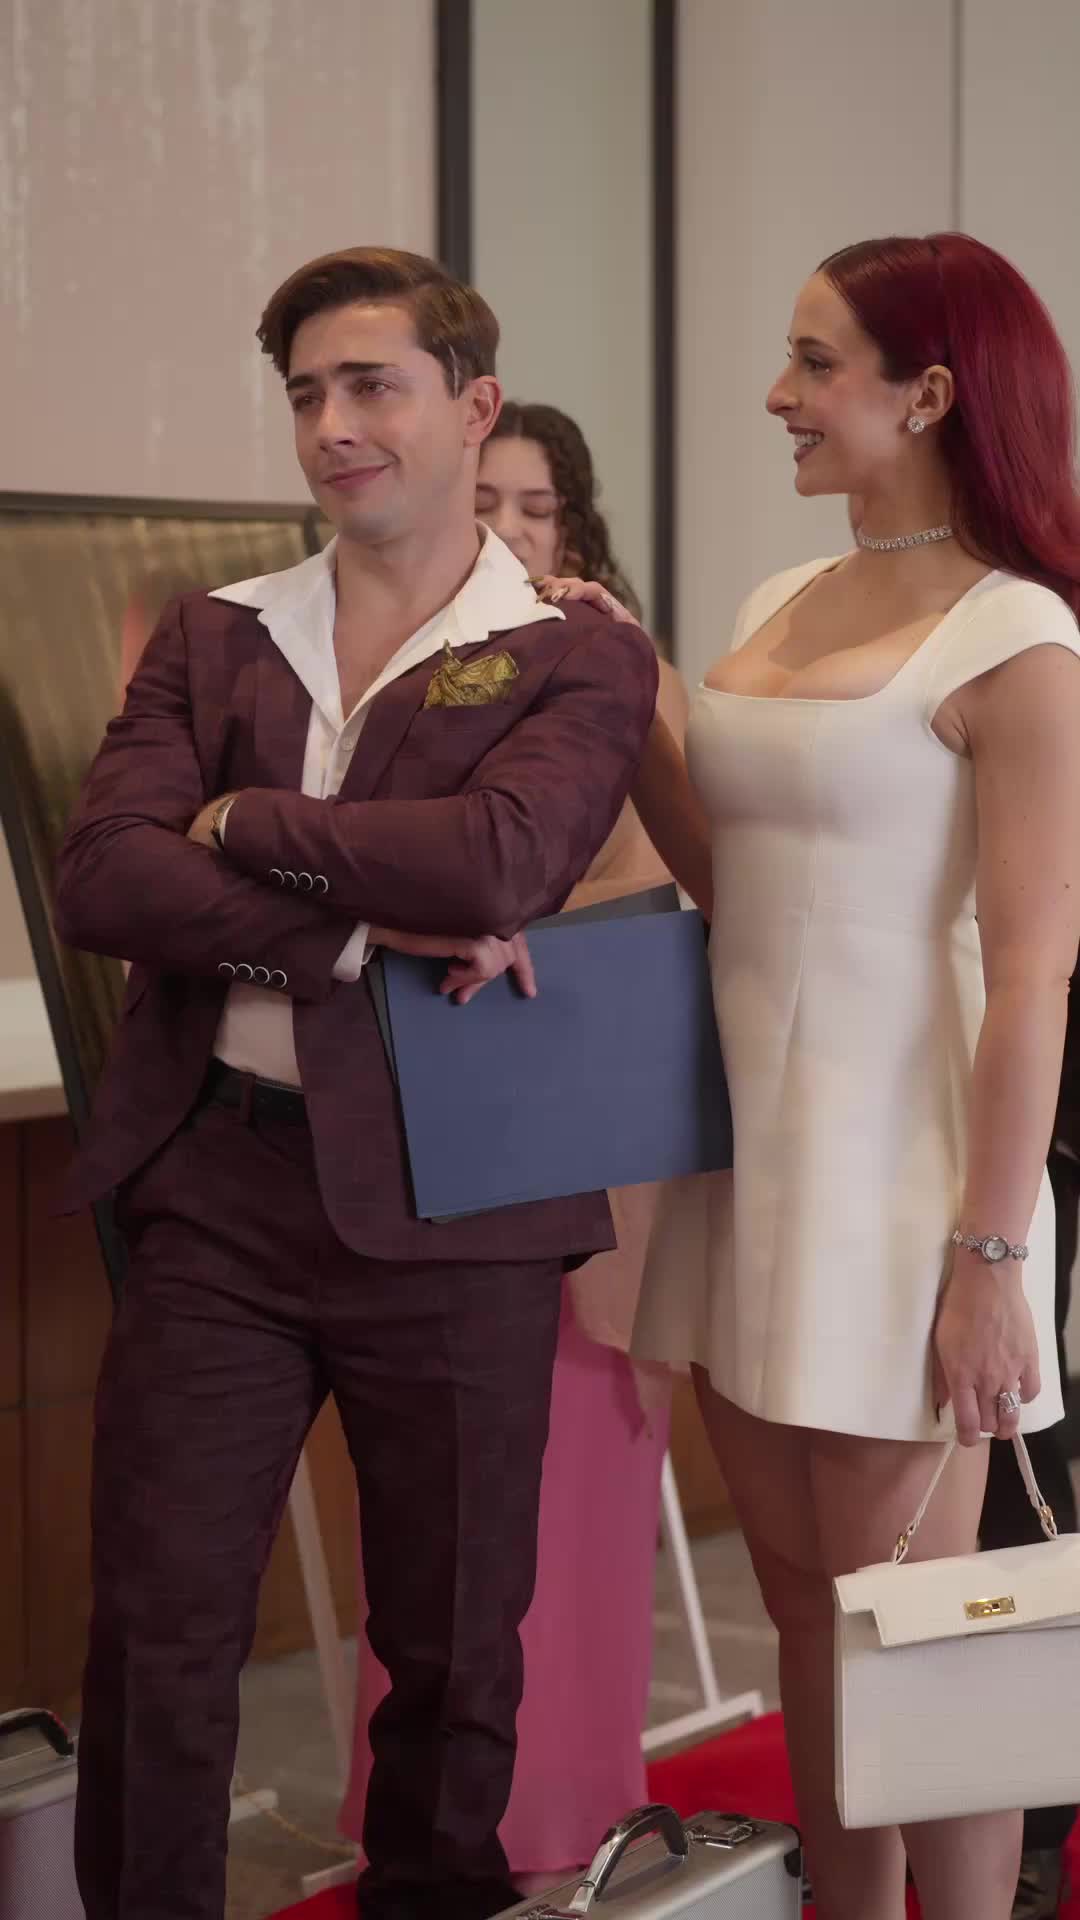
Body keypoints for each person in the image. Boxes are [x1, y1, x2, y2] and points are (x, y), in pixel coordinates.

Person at [53, 246, 658, 1920]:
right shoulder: (219, 632)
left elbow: (501, 861)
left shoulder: (570, 653)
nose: (333, 425)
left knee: (454, 1651)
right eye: (308, 393)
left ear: (472, 407)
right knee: (160, 1629)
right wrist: (348, 931)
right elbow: (103, 877)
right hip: (218, 1189)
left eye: (371, 386)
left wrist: (239, 824)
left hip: (461, 1201)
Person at [542, 233, 1080, 1920]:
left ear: (929, 394)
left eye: (816, 361)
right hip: (748, 1169)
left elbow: (1033, 974)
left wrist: (991, 1260)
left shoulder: (1019, 634)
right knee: (810, 1632)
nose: (778, 393)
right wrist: (634, 700)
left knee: (927, 1655)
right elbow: (732, 883)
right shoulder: (778, 602)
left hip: (908, 1197)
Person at [340, 400, 687, 1887]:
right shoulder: (393, 665)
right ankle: (429, 1829)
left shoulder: (615, 664)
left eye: (538, 506)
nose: (513, 529)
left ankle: (571, 1809)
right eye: (488, 501)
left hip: (591, 1126)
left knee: (580, 1477)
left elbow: (673, 869)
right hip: (430, 1126)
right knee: (438, 1501)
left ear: (575, 524)